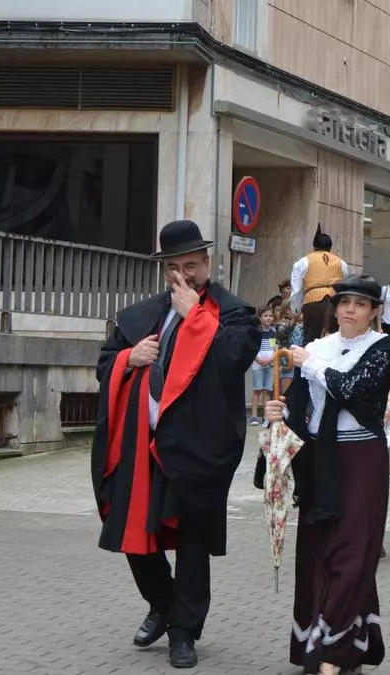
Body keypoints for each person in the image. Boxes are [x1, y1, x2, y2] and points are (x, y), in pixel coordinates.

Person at [91, 220, 260, 669]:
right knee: (131, 532)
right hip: (141, 444)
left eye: (191, 266)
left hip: (199, 447)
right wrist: (130, 358)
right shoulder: (141, 314)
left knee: (191, 542)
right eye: (173, 268)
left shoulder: (234, 312)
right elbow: (104, 364)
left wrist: (195, 316)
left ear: (207, 262)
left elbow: (233, 358)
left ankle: (184, 632)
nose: (182, 276)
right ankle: (162, 604)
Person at [265, 274, 390, 675]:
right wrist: (278, 412)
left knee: (352, 551)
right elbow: (299, 404)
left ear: (374, 311)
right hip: (319, 458)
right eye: (344, 302)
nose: (350, 310)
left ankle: (332, 653)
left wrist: (311, 366)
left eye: (360, 304)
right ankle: (337, 645)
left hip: (362, 458)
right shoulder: (317, 348)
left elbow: (352, 388)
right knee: (316, 552)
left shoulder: (383, 347)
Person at [289, 224, 348, 313]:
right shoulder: (342, 263)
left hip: (312, 302)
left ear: (314, 247)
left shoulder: (303, 262)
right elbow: (344, 285)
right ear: (330, 247)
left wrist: (296, 309)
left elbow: (297, 290)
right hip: (334, 303)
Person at [250, 306, 278, 425]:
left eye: (270, 316)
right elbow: (252, 347)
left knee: (267, 390)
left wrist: (271, 359)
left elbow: (275, 348)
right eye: (265, 316)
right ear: (260, 317)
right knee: (257, 390)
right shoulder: (256, 331)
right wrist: (258, 359)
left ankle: (266, 416)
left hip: (270, 364)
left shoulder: (273, 331)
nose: (268, 318)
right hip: (258, 364)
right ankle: (254, 416)